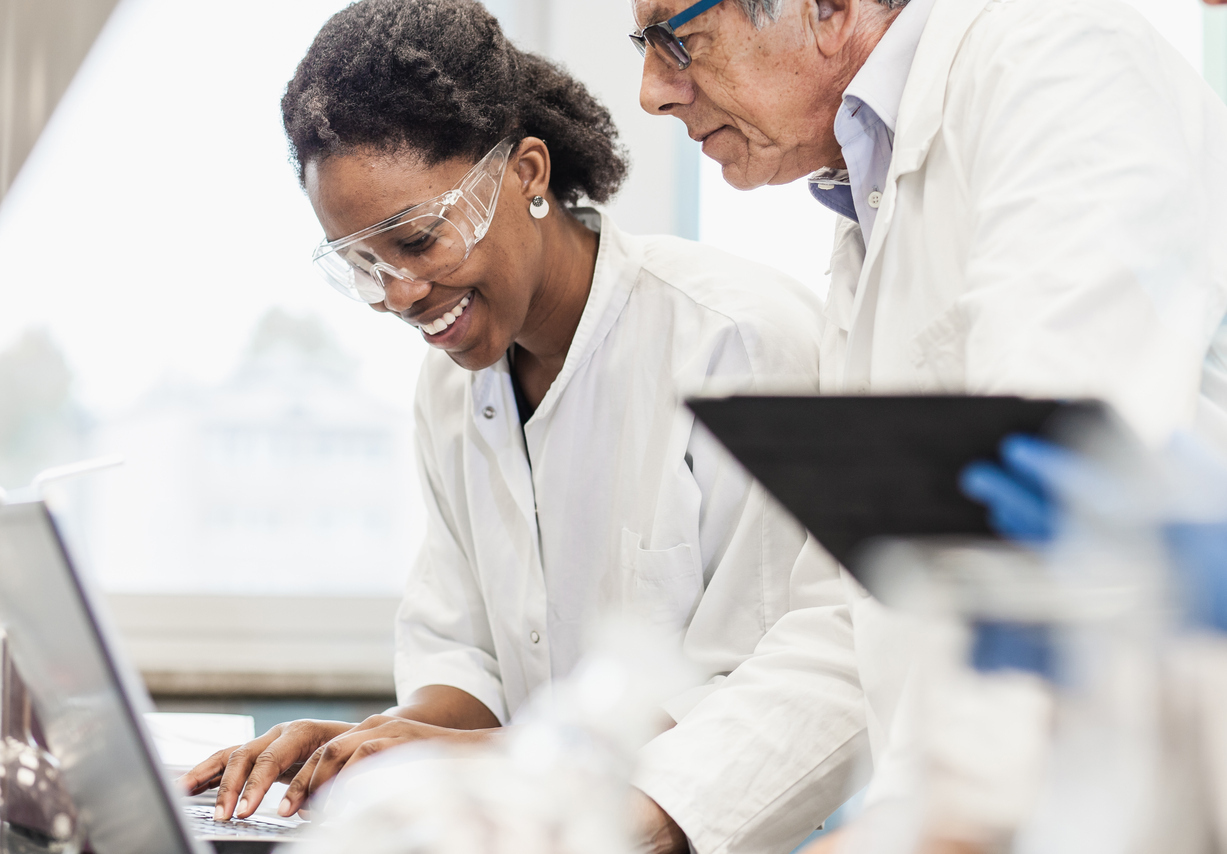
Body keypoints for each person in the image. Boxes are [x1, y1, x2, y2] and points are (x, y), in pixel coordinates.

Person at [180, 3, 867, 853]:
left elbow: (754, 698)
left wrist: (467, 757)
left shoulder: (739, 342)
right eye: (363, 261)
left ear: (529, 173)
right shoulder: (450, 388)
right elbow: (465, 665)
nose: (399, 294)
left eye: (420, 239)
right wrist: (374, 745)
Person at [631, 0, 1227, 848]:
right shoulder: (869, 197)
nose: (653, 91)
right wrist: (648, 812)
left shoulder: (1058, 63)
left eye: (675, 39)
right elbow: (855, 609)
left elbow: (1049, 530)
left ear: (826, 9)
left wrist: (922, 825)